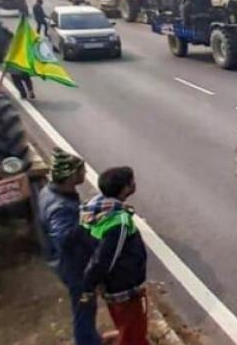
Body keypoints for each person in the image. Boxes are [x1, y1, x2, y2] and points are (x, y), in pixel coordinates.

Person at [37, 148, 102, 345]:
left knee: (85, 308)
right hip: (74, 267)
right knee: (84, 309)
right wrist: (89, 225)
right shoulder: (60, 207)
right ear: (70, 175)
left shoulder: (50, 192)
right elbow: (64, 237)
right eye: (81, 171)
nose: (84, 174)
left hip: (66, 263)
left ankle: (91, 339)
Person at [80, 167, 149, 345]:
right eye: (131, 182)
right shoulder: (119, 223)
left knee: (127, 325)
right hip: (123, 286)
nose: (134, 185)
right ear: (125, 188)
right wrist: (89, 285)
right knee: (132, 332)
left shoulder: (94, 209)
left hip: (111, 286)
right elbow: (105, 259)